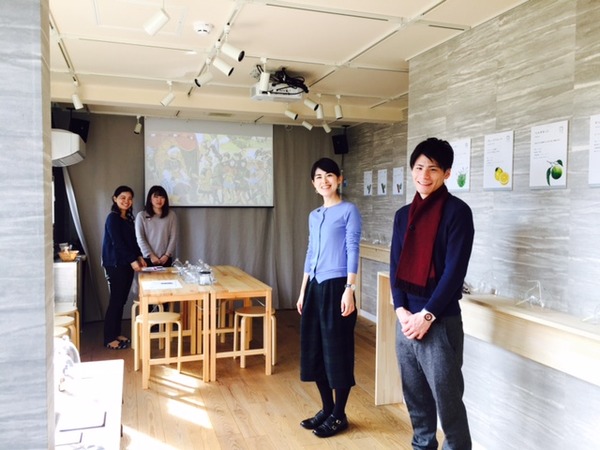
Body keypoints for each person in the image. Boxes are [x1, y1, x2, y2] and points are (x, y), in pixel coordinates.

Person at [390, 138, 474, 449]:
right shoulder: (403, 215)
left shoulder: (457, 212)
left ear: (447, 173)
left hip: (439, 322)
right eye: (419, 167)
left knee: (448, 405)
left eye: (433, 169)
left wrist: (426, 316)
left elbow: (454, 272)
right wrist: (401, 310)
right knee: (416, 402)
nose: (424, 175)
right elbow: (395, 264)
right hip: (406, 321)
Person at [296, 157, 362, 438]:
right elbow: (311, 252)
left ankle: (339, 414)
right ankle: (327, 408)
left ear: (339, 179)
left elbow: (353, 249)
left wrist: (350, 289)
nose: (324, 181)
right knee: (315, 350)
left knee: (337, 350)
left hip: (338, 287)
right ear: (313, 184)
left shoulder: (349, 210)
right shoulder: (314, 215)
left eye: (329, 176)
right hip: (315, 287)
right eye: (319, 177)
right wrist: (303, 290)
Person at [102, 185, 146, 349]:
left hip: (126, 264)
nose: (126, 201)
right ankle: (109, 338)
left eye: (129, 198)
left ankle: (116, 333)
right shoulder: (112, 218)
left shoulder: (127, 218)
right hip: (115, 264)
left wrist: (139, 256)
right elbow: (118, 243)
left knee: (121, 301)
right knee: (116, 301)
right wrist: (132, 260)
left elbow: (132, 242)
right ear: (115, 199)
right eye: (122, 198)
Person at [135, 185, 177, 268]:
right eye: (156, 197)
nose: (159, 200)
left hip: (166, 258)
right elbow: (140, 238)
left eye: (162, 197)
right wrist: (151, 255)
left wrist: (167, 255)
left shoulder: (171, 215)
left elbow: (173, 237)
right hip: (147, 258)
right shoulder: (141, 215)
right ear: (150, 199)